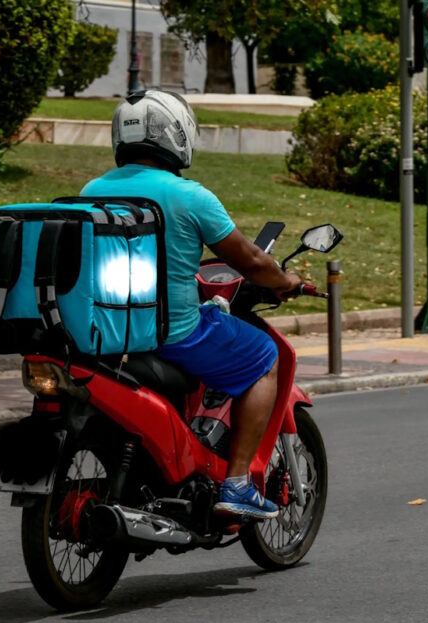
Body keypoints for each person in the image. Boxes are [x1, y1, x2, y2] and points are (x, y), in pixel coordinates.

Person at [81, 90, 302, 520]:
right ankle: (237, 484)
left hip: (109, 328)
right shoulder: (190, 196)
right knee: (264, 355)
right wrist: (286, 281)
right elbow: (252, 260)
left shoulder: (91, 190)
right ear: (175, 135)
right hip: (174, 332)